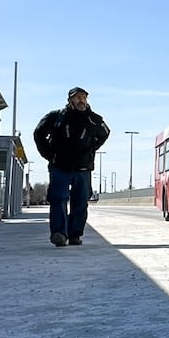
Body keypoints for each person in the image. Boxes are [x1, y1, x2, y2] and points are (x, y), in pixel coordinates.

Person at [33, 87, 110, 247]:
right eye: (77, 97)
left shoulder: (94, 119)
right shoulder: (57, 117)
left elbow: (105, 133)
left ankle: (75, 234)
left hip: (83, 167)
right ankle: (59, 233)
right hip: (60, 166)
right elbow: (38, 133)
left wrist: (91, 149)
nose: (81, 100)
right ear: (70, 100)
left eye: (84, 97)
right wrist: (48, 154)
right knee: (58, 198)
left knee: (81, 201)